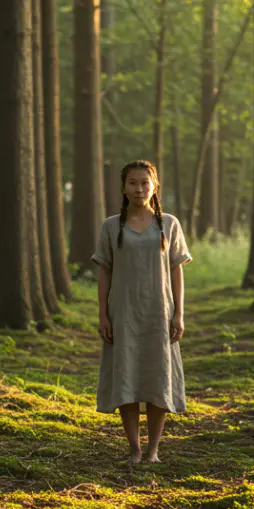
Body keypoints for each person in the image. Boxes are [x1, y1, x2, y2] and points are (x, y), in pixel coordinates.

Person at [91, 159, 192, 463]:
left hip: (159, 312)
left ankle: (154, 450)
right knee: (128, 375)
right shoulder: (111, 226)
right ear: (123, 187)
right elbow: (105, 271)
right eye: (133, 182)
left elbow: (176, 270)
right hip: (123, 311)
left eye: (144, 182)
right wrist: (103, 314)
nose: (139, 188)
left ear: (154, 185)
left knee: (158, 376)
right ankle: (134, 448)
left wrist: (179, 313)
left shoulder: (169, 223)